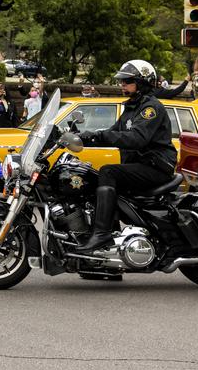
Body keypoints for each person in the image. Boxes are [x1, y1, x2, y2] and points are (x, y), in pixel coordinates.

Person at [75, 60, 177, 253]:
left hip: (156, 167)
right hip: (141, 165)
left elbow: (137, 138)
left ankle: (102, 235)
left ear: (143, 82)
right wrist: (81, 138)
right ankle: (107, 252)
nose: (122, 85)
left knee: (108, 172)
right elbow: (112, 133)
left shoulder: (150, 108)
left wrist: (100, 135)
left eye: (127, 81)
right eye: (121, 81)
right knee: (93, 177)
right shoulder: (131, 108)